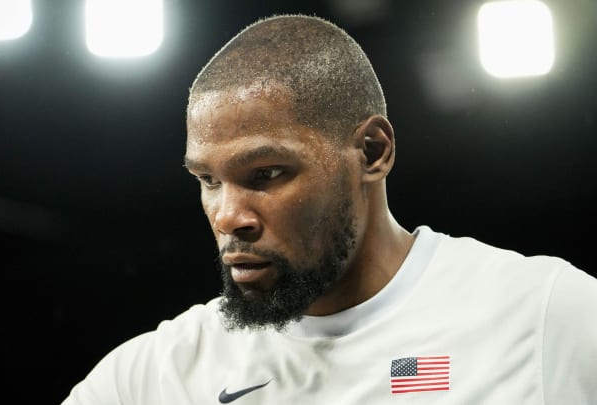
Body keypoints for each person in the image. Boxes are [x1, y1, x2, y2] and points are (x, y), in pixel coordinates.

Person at [62, 14, 596, 404]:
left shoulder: (547, 316)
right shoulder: (157, 376)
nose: (228, 216)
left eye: (265, 175)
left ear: (372, 153)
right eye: (207, 180)